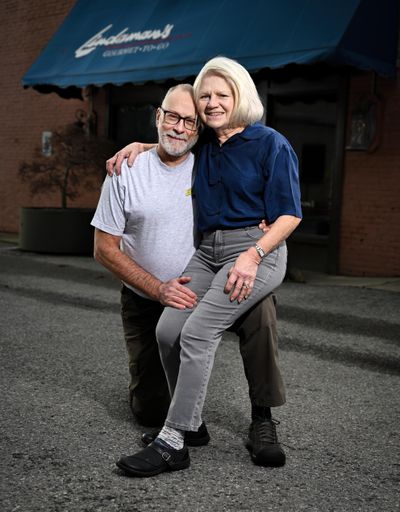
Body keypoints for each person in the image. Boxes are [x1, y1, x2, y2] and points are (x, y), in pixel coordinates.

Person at [113, 57, 302, 478]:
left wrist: (253, 257)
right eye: (206, 95)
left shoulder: (271, 143)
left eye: (222, 94)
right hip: (207, 251)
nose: (212, 102)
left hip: (257, 249)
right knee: (167, 330)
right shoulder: (205, 145)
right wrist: (138, 146)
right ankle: (194, 424)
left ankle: (174, 441)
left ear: (240, 97)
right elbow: (171, 140)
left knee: (199, 330)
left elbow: (290, 216)